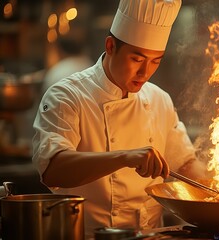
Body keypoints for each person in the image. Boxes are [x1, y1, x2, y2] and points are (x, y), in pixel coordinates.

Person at [32, 0, 204, 238]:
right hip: (85, 235)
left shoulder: (158, 99)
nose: (145, 72)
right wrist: (125, 157)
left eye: (156, 61)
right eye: (137, 59)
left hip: (150, 235)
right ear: (111, 46)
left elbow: (184, 165)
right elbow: (53, 169)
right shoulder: (68, 95)